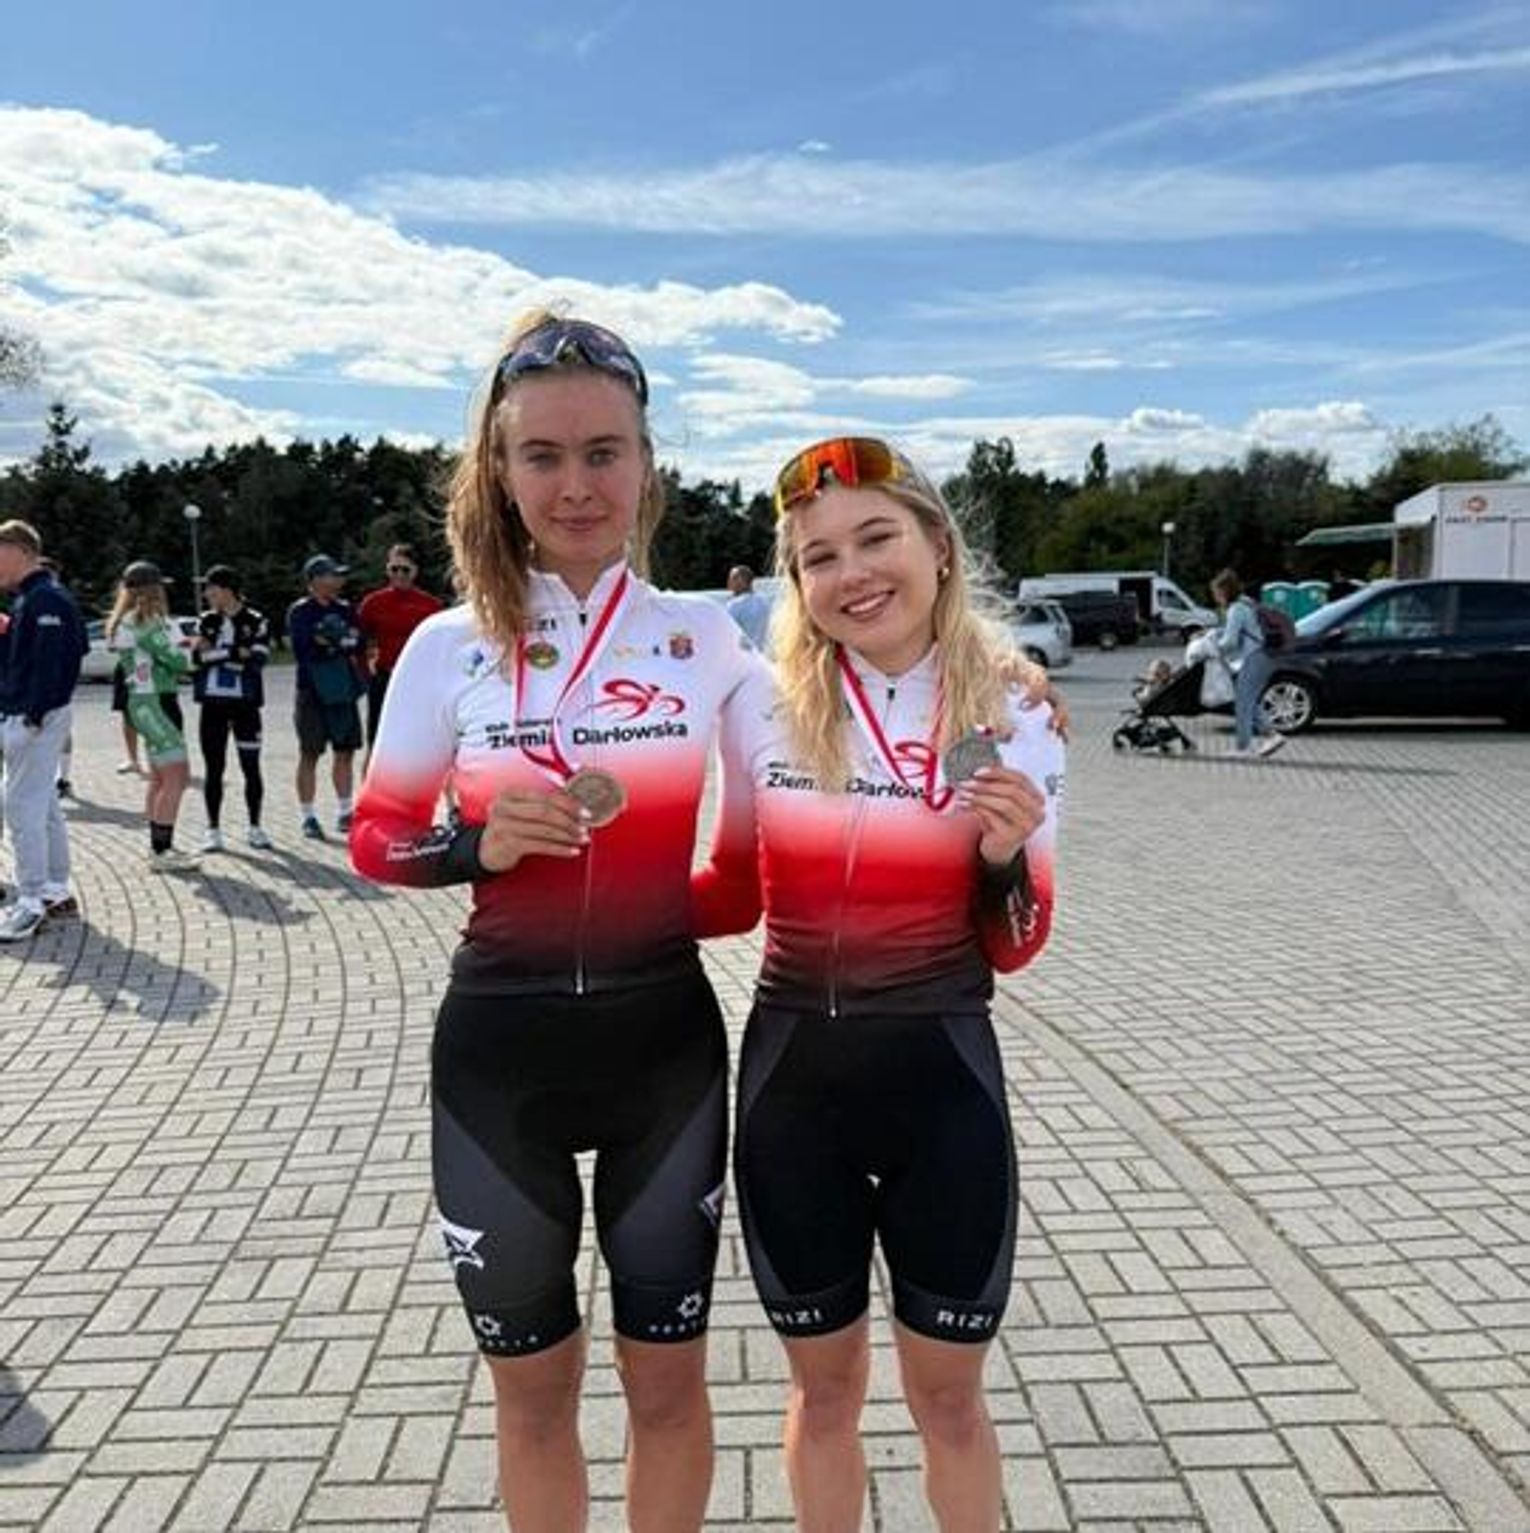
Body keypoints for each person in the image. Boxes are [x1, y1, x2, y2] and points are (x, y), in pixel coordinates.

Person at [350, 312, 769, 1533]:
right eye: (542, 455)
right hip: (498, 1070)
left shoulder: (708, 640)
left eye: (603, 452)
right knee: (532, 1400)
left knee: (668, 1389)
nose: (576, 485)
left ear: (647, 464)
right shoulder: (447, 646)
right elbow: (375, 838)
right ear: (498, 468)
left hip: (664, 1064)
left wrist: (997, 688)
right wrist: (474, 847)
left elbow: (748, 876)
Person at [693, 436, 1064, 1533]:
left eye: (875, 538)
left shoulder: (1016, 716)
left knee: (948, 1400)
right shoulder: (760, 706)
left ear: (937, 544)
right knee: (824, 1395)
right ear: (795, 583)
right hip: (793, 1094)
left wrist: (1003, 858)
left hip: (944, 1091)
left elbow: (1019, 942)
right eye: (818, 557)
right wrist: (587, 899)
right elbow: (729, 888)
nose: (851, 573)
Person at [0, 520, 88, 940]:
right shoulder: (35, 598)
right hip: (35, 716)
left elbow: (55, 665)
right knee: (43, 804)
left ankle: (31, 901)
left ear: (19, 550)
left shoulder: (43, 599)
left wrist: (32, 716)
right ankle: (54, 890)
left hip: (35, 718)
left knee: (21, 807)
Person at [107, 561, 199, 870]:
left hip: (146, 701)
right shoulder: (145, 621)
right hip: (155, 701)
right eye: (160, 587)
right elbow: (179, 662)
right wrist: (194, 650)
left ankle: (158, 846)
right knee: (177, 776)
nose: (164, 593)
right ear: (152, 589)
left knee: (160, 777)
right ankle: (161, 851)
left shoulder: (130, 620)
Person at [193, 565, 273, 851]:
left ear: (227, 590)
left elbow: (258, 660)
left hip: (246, 705)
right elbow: (197, 659)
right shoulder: (205, 620)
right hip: (212, 705)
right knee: (214, 768)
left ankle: (255, 827)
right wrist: (234, 652)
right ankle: (212, 829)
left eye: (210, 588)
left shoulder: (256, 620)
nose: (206, 593)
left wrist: (216, 654)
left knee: (251, 766)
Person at [288, 554, 364, 840]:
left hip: (342, 688)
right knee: (309, 752)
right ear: (315, 580)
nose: (338, 580)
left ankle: (345, 811)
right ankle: (308, 816)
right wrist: (335, 642)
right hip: (312, 691)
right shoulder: (300, 611)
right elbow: (304, 649)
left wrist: (331, 640)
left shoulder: (345, 609)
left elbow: (356, 642)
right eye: (333, 575)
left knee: (345, 751)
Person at [356, 541, 442, 753]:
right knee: (378, 739)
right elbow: (358, 640)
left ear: (415, 571)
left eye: (405, 569)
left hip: (418, 682)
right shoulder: (372, 603)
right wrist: (365, 673)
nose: (399, 575)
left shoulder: (431, 606)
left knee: (418, 739)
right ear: (387, 570)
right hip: (384, 678)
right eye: (394, 569)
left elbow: (440, 648)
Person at [1210, 569, 1285, 759]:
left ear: (1225, 591)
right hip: (1264, 657)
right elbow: (1240, 631)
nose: (1216, 598)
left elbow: (1230, 641)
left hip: (1253, 658)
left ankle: (1242, 748)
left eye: (1217, 593)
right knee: (1249, 702)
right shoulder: (1247, 604)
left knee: (1243, 704)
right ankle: (1272, 736)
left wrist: (1211, 647)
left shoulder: (1236, 609)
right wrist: (1214, 633)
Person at [724, 564, 771, 651]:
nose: (728, 583)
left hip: (740, 655)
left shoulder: (734, 605)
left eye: (732, 578)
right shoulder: (764, 602)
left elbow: (727, 634)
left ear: (741, 581)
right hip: (761, 654)